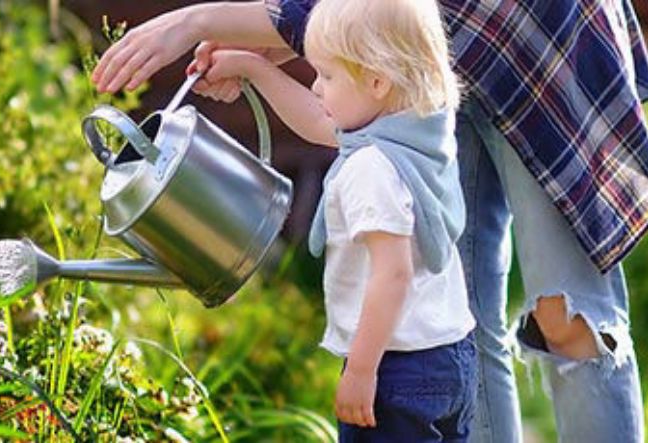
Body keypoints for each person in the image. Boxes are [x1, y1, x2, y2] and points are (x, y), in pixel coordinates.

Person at [92, 0, 648, 441]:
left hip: (526, 29)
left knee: (570, 320)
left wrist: (204, 21)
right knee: (460, 313)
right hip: (423, 36)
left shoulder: (374, 167)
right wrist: (279, 52)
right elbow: (332, 113)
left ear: (373, 80)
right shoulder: (393, 112)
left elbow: (388, 266)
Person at [184, 0, 478, 440]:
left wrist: (360, 371)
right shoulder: (421, 129)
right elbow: (322, 122)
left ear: (377, 81)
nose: (317, 88)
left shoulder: (372, 168)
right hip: (450, 353)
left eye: (327, 75)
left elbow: (392, 275)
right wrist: (253, 68)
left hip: (393, 365)